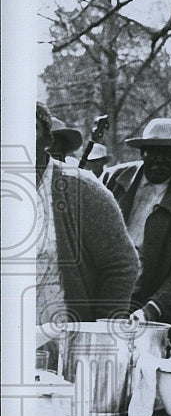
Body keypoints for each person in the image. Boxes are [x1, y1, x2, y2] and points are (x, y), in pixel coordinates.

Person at [102, 117, 171, 348]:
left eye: (169, 153)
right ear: (142, 153)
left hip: (156, 312)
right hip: (106, 299)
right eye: (153, 151)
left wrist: (150, 310)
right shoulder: (113, 180)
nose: (160, 159)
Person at [34, 103, 138, 326]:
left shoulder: (82, 189)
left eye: (31, 128)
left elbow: (121, 265)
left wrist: (100, 330)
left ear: (48, 141)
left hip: (63, 338)